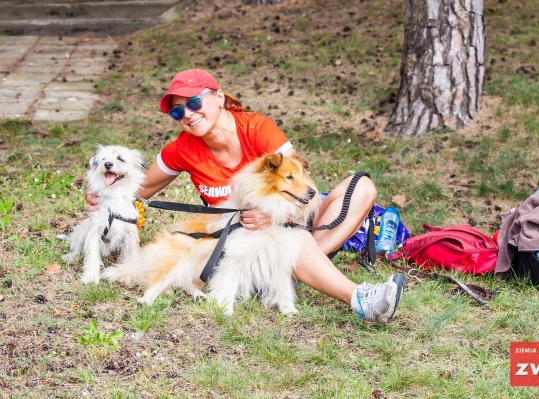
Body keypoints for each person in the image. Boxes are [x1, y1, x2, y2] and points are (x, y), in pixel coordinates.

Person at [88, 69, 407, 323]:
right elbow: (137, 187)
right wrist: (102, 193)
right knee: (277, 236)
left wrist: (280, 215)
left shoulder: (257, 128)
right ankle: (358, 298)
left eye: (194, 102)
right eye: (177, 112)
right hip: (240, 242)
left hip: (293, 227)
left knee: (361, 187)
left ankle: (294, 270)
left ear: (220, 97)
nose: (187, 114)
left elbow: (304, 189)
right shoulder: (182, 148)